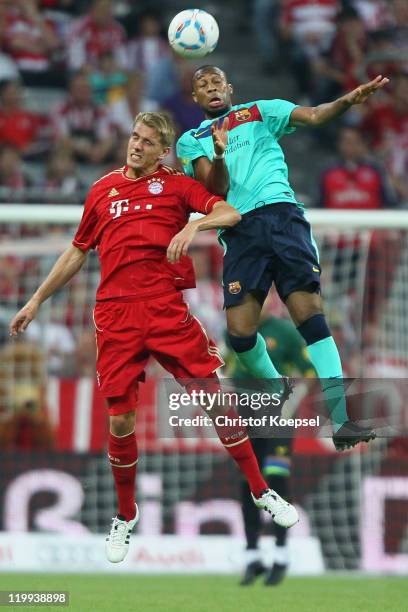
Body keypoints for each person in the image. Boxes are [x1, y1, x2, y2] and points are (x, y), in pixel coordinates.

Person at [9, 111, 298, 564]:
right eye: (134, 137)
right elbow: (77, 250)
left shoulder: (177, 185)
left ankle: (262, 492)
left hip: (165, 309)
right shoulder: (102, 189)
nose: (136, 145)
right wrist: (36, 301)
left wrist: (192, 225)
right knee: (121, 421)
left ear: (163, 150)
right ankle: (125, 515)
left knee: (215, 399)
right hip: (116, 315)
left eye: (147, 141)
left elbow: (229, 210)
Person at [176, 65, 387, 451]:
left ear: (229, 86)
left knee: (309, 313)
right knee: (239, 334)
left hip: (283, 216)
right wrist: (220, 154)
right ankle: (275, 388)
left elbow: (315, 114)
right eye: (202, 85)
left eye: (216, 82)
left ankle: (341, 420)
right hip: (238, 230)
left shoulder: (260, 110)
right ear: (195, 98)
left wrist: (348, 100)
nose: (211, 88)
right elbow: (215, 190)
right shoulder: (190, 141)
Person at [226, 307, 315, 586]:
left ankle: (281, 554)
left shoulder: (285, 332)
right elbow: (229, 366)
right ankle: (252, 555)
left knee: (276, 477)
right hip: (245, 416)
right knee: (249, 482)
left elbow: (309, 372)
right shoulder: (235, 328)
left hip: (278, 416)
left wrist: (292, 400)